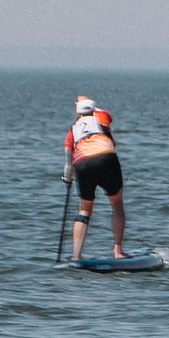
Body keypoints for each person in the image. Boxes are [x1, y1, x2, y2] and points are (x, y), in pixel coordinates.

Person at [64, 97, 128, 261]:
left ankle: (76, 255)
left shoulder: (72, 132)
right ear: (93, 110)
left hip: (82, 163)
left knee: (84, 210)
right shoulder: (101, 118)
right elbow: (102, 113)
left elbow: (68, 164)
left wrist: (67, 179)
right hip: (106, 158)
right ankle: (118, 251)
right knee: (117, 205)